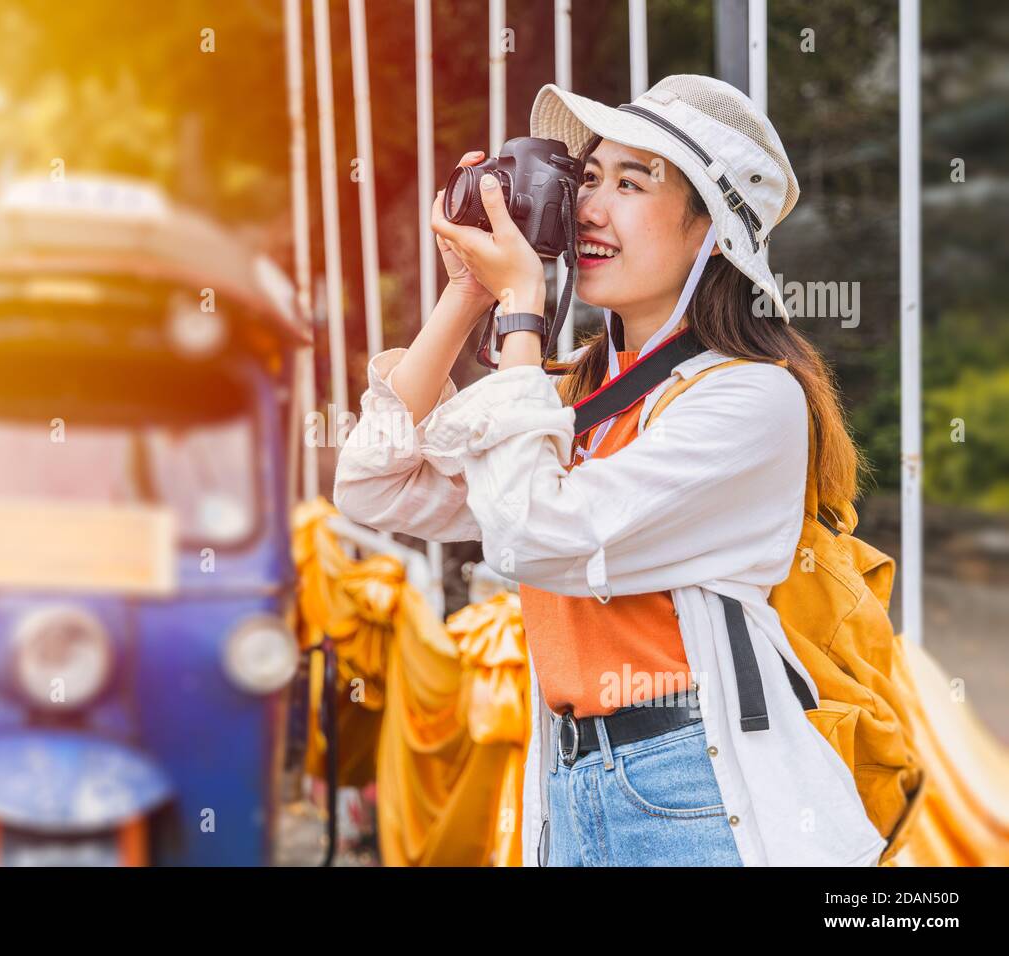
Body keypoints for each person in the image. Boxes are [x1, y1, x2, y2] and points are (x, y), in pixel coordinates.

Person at [333, 75, 887, 867]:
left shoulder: (752, 399)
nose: (590, 206)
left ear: (711, 233)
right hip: (566, 776)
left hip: (696, 784)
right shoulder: (571, 397)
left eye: (632, 183)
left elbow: (533, 533)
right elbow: (371, 486)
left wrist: (523, 307)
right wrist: (463, 298)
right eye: (588, 177)